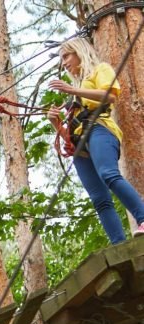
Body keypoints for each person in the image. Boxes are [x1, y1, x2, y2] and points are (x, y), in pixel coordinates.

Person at [47, 38, 144, 244]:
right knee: (99, 200)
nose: (64, 63)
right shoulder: (75, 93)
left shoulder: (100, 70)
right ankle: (119, 244)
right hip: (80, 146)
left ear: (79, 52)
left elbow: (109, 95)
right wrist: (56, 123)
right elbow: (69, 137)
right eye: (61, 59)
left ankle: (143, 217)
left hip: (99, 129)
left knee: (109, 174)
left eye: (66, 56)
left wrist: (72, 91)